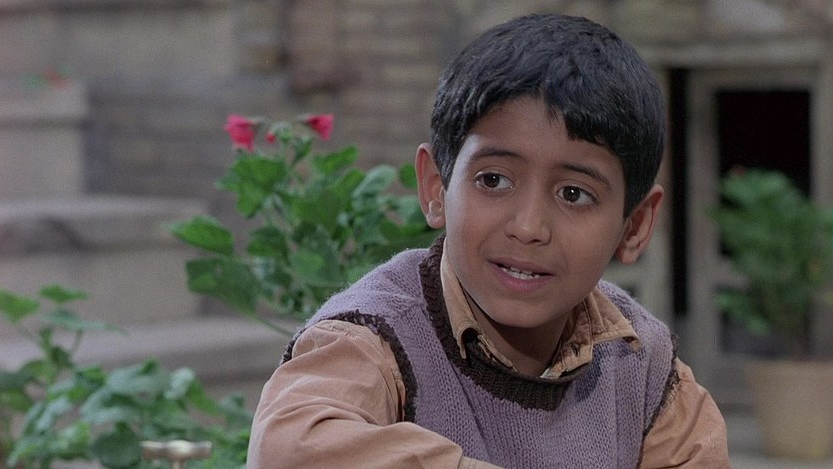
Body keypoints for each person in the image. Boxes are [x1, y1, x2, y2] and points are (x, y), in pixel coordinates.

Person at [248, 13, 729, 468]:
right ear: (436, 188)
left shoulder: (643, 366)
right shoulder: (375, 336)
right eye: (493, 180)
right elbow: (289, 448)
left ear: (635, 226)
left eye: (574, 194)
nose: (528, 227)